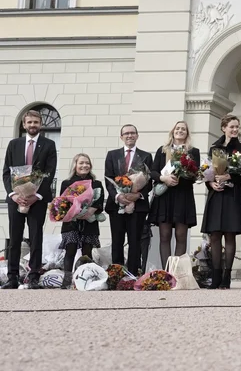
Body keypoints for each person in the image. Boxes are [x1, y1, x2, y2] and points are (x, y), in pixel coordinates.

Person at [2, 110, 58, 289]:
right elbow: (6, 172)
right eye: (29, 122)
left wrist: (37, 195)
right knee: (15, 238)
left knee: (36, 237)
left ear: (40, 124)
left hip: (38, 200)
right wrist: (14, 194)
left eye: (36, 122)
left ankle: (34, 275)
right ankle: (12, 277)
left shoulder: (49, 145)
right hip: (15, 200)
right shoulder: (14, 144)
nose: (33, 125)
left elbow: (49, 173)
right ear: (24, 125)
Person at [201, 114, 241, 289]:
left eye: (237, 127)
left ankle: (226, 277)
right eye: (232, 127)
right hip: (217, 194)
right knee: (215, 235)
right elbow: (207, 170)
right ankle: (215, 277)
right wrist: (211, 183)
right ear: (224, 128)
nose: (235, 129)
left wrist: (231, 176)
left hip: (232, 195)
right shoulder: (214, 148)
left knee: (229, 234)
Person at [104, 124, 154, 276]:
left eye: (132, 133)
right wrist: (118, 196)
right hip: (116, 205)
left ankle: (132, 275)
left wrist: (137, 195)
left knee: (135, 241)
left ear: (137, 136)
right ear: (121, 137)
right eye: (126, 133)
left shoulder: (146, 156)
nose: (129, 136)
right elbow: (108, 179)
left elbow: (149, 181)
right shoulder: (112, 155)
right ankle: (117, 274)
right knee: (117, 241)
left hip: (137, 206)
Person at [148, 121, 200, 269]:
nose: (180, 131)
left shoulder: (192, 151)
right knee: (164, 236)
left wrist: (182, 176)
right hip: (165, 197)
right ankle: (167, 272)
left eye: (183, 129)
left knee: (181, 235)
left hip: (183, 195)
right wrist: (164, 179)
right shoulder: (163, 150)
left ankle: (177, 271)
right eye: (178, 128)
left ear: (187, 133)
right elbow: (153, 172)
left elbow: (195, 175)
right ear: (173, 131)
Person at [57, 154, 105, 289]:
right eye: (81, 163)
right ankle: (66, 281)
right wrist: (76, 211)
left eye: (87, 163)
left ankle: (85, 280)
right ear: (75, 165)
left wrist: (90, 210)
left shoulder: (96, 183)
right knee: (70, 248)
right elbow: (62, 202)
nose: (85, 166)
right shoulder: (67, 183)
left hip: (89, 222)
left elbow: (100, 201)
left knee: (87, 252)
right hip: (71, 222)